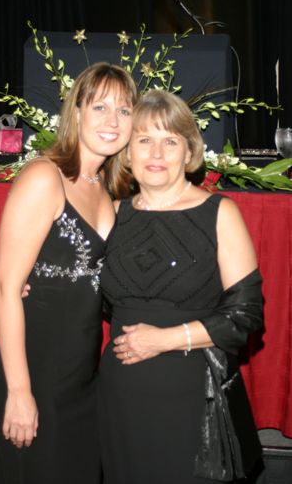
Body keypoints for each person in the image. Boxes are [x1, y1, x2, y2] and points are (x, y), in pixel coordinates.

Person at [0, 62, 137, 484]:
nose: (112, 121)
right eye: (99, 107)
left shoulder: (112, 190)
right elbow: (7, 288)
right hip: (31, 376)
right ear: (76, 112)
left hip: (82, 384)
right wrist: (20, 392)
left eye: (124, 110)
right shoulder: (44, 177)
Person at [98, 89, 263, 484]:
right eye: (144, 140)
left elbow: (246, 317)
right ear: (127, 152)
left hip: (194, 403)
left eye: (170, 141)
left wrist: (164, 339)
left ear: (189, 153)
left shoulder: (219, 213)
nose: (156, 154)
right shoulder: (111, 213)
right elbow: (87, 291)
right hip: (119, 401)